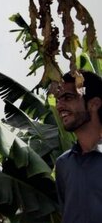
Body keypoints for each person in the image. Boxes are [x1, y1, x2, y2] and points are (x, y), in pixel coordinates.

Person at [55, 70, 102, 223]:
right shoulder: (63, 164)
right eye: (57, 100)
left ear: (94, 104)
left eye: (68, 97)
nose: (59, 106)